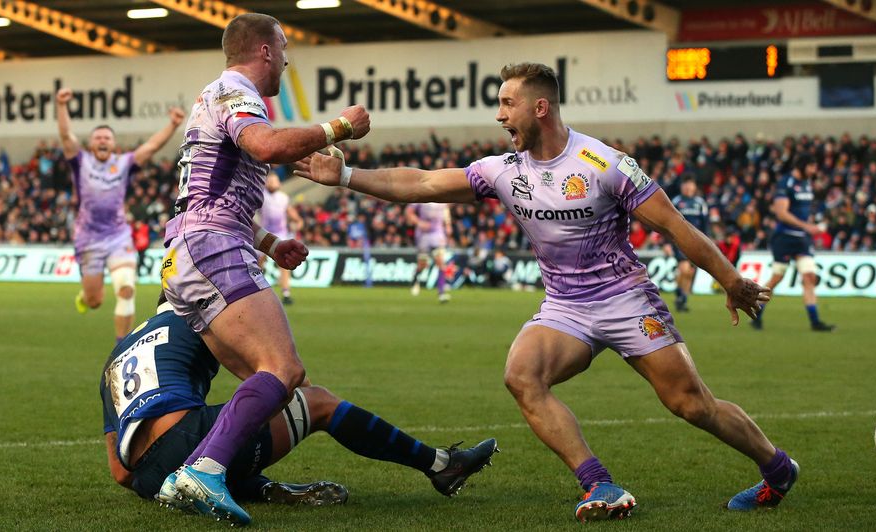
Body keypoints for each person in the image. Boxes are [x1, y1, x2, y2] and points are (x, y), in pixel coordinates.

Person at [296, 62, 796, 521]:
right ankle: (599, 484)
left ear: (540, 107)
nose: (499, 115)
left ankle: (777, 468)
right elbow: (423, 183)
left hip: (626, 299)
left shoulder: (605, 164)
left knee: (691, 405)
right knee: (522, 376)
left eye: (506, 103)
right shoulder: (505, 171)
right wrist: (345, 175)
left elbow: (675, 226)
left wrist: (730, 280)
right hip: (566, 307)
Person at [158, 12, 372, 526]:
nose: (287, 60)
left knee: (274, 385)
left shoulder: (214, 95)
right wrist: (339, 127)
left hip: (189, 250)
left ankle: (198, 474)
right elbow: (266, 146)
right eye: (284, 48)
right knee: (284, 370)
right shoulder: (236, 90)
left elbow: (212, 193)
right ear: (265, 51)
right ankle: (202, 471)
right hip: (210, 247)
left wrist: (269, 242)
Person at [100, 293, 498, 517]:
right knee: (318, 402)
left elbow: (119, 473)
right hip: (185, 440)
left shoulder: (116, 355)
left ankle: (259, 488)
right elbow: (278, 380)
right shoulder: (199, 317)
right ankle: (442, 465)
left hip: (149, 478)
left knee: (224, 437)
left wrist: (161, 474)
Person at [55, 87, 185, 342]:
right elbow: (65, 135)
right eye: (98, 137)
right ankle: (85, 296)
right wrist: (61, 105)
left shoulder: (124, 163)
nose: (103, 140)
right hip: (88, 238)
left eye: (107, 137)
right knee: (94, 301)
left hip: (118, 236)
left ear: (113, 144)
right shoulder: (80, 161)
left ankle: (120, 347)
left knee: (126, 289)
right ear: (91, 143)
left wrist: (172, 124)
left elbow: (151, 147)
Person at [751, 153, 835, 331]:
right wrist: (807, 226)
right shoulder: (786, 183)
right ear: (802, 166)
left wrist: (813, 224)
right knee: (777, 277)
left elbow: (803, 210)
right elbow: (781, 213)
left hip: (802, 238)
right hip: (784, 237)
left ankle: (815, 322)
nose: (814, 171)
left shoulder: (807, 183)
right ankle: (756, 313)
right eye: (811, 166)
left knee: (809, 277)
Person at [256, 172, 303, 305]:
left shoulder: (283, 198)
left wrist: (298, 222)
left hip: (281, 235)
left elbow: (292, 214)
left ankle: (286, 293)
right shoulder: (261, 196)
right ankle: (256, 291)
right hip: (264, 235)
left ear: (279, 183)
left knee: (284, 265)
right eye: (270, 181)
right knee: (258, 264)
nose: (272, 183)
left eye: (274, 181)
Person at [669, 176, 709, 312]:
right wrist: (667, 241)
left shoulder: (700, 203)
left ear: (694, 186)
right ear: (682, 186)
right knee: (685, 269)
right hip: (679, 240)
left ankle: (682, 299)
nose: (688, 187)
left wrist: (706, 242)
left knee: (690, 272)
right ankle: (679, 293)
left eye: (690, 184)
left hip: (696, 242)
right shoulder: (676, 201)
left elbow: (705, 225)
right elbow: (668, 222)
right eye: (686, 184)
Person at [406, 202, 452, 302]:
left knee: (441, 263)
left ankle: (441, 293)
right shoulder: (422, 197)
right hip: (423, 235)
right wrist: (419, 222)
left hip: (437, 233)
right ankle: (415, 277)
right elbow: (409, 212)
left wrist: (448, 225)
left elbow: (445, 209)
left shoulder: (441, 197)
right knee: (423, 264)